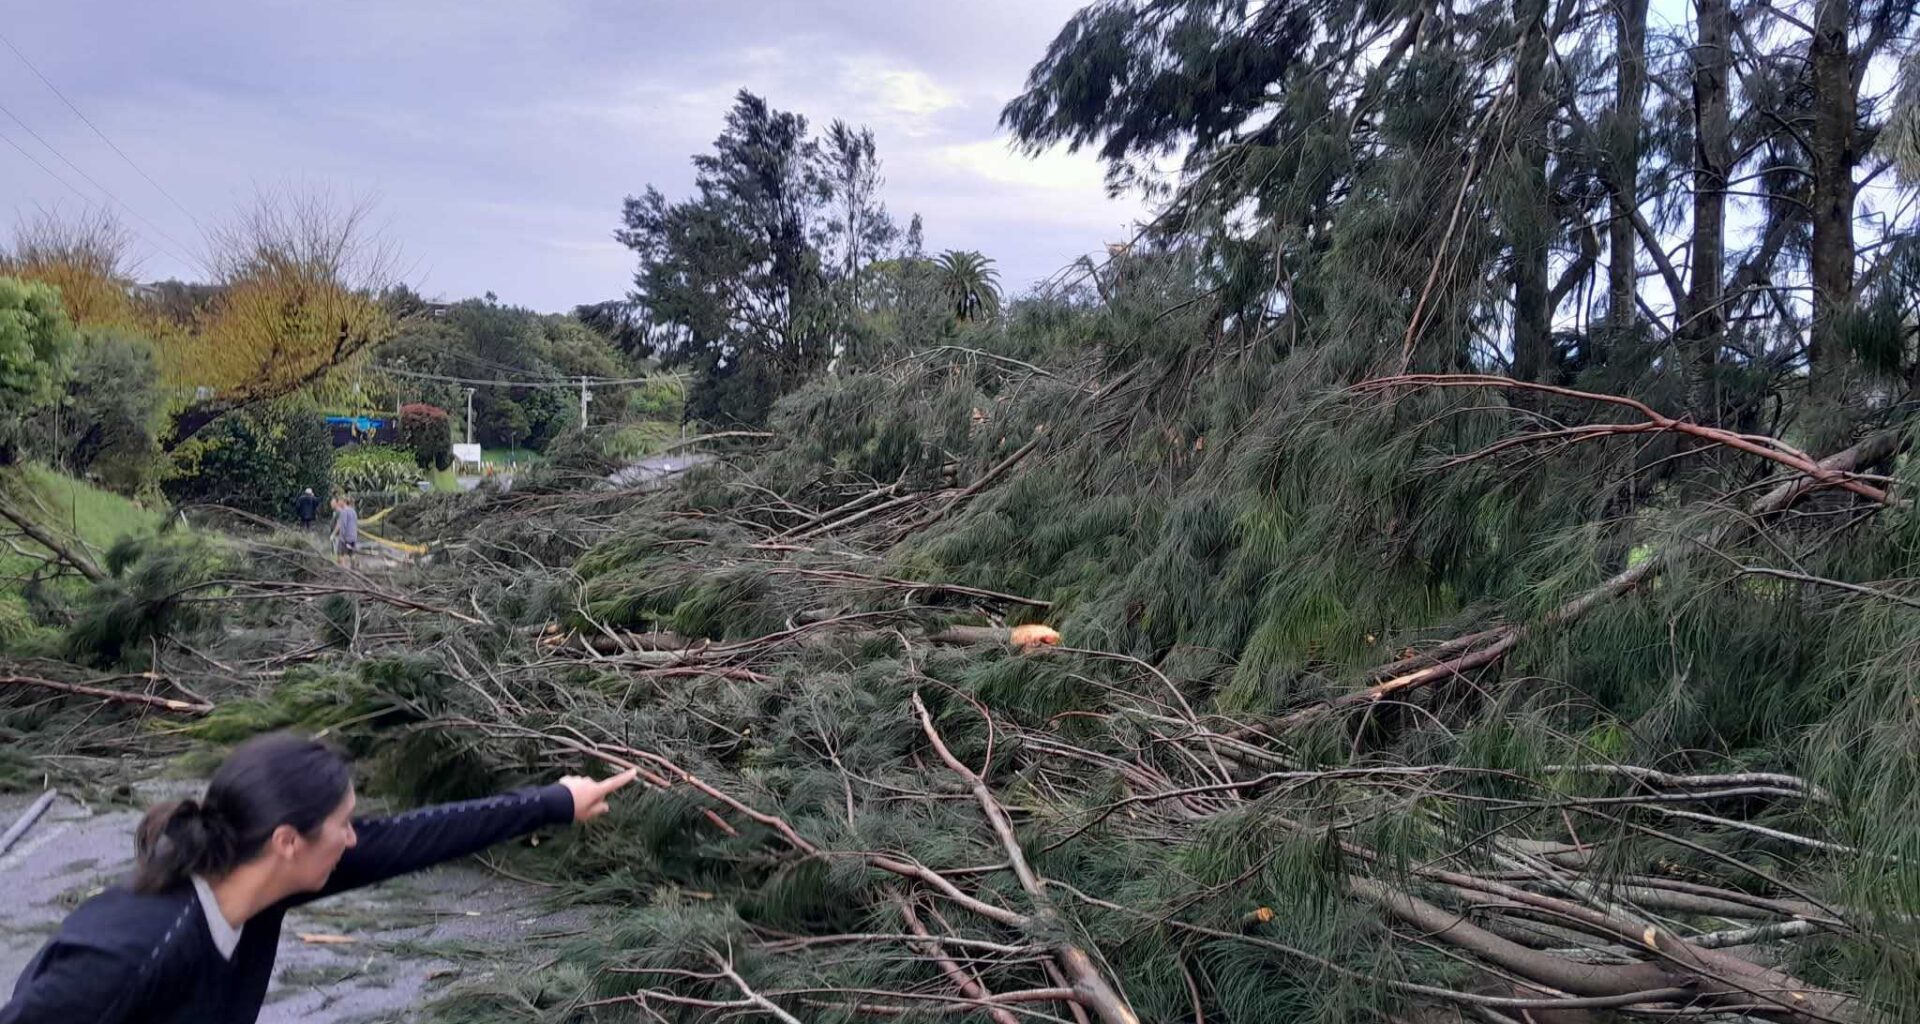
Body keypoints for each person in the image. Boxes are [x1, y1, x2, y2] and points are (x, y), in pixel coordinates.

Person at [0, 732, 637, 1024]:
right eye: (344, 823)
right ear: (287, 840)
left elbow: (412, 838)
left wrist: (556, 802)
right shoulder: (130, 949)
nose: (355, 838)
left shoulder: (263, 884)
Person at [329, 496, 358, 568]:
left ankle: (343, 570)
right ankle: (354, 567)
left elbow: (342, 525)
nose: (338, 503)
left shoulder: (344, 511)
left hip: (345, 537)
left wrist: (341, 538)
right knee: (351, 553)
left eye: (340, 501)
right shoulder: (353, 511)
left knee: (340, 554)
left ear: (343, 502)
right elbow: (355, 524)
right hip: (353, 536)